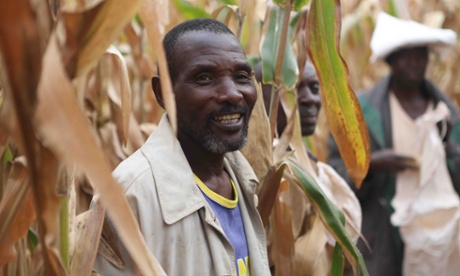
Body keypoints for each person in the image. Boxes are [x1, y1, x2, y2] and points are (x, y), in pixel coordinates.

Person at [93, 18, 270, 275]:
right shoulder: (129, 196)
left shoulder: (244, 180)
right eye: (205, 78)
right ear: (163, 92)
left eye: (241, 76)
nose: (232, 93)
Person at [328, 12, 460, 276]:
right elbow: (334, 175)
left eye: (420, 54)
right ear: (390, 60)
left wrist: (448, 151)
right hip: (382, 239)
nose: (414, 62)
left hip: (440, 240)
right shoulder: (360, 112)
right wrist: (371, 164)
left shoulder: (447, 112)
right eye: (404, 55)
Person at [255, 60, 362, 275]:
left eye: (314, 88)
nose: (310, 99)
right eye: (293, 90)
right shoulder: (266, 171)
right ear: (256, 97)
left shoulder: (313, 166)